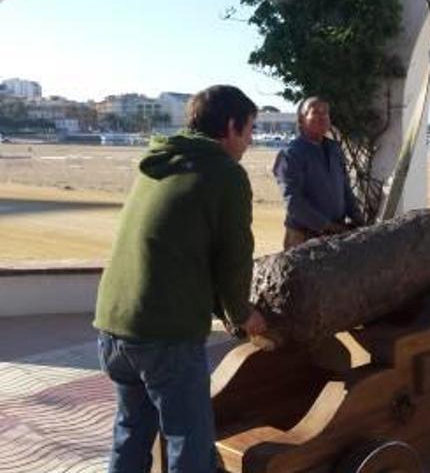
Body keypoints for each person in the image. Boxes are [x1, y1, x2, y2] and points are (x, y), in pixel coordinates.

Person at [93, 85, 268, 472]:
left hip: (113, 325)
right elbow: (234, 259)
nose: (251, 141)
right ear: (230, 126)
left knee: (131, 432)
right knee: (189, 443)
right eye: (250, 130)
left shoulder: (159, 160)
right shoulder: (226, 174)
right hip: (164, 335)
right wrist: (242, 314)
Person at [273, 96, 364, 249]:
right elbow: (293, 202)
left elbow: (345, 188)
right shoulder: (290, 155)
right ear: (301, 120)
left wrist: (358, 220)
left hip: (337, 236)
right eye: (316, 113)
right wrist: (328, 226)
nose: (322, 117)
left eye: (326, 113)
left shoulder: (335, 149)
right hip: (303, 238)